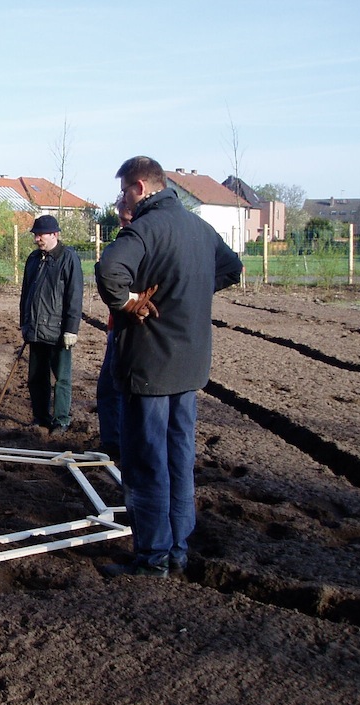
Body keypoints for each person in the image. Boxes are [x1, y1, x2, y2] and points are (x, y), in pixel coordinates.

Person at [95, 156, 243, 578]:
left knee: (146, 463)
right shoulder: (199, 228)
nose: (123, 199)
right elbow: (231, 268)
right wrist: (188, 292)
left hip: (149, 367)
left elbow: (108, 270)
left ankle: (152, 557)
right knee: (179, 459)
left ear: (140, 187)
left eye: (124, 191)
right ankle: (178, 549)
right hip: (189, 368)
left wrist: (129, 302)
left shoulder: (145, 229)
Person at [19, 214, 84, 435]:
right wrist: (24, 323)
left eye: (41, 235)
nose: (37, 239)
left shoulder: (68, 258)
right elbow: (26, 294)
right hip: (35, 329)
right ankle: (41, 417)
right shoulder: (33, 259)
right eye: (35, 235)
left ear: (54, 234)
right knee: (36, 378)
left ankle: (61, 420)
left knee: (61, 378)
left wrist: (71, 329)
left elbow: (75, 295)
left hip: (58, 331)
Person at [94, 195, 134, 460]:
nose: (121, 225)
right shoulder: (123, 243)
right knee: (109, 388)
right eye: (120, 220)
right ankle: (113, 444)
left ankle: (119, 446)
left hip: (133, 330)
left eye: (125, 220)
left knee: (118, 389)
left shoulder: (137, 245)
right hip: (116, 326)